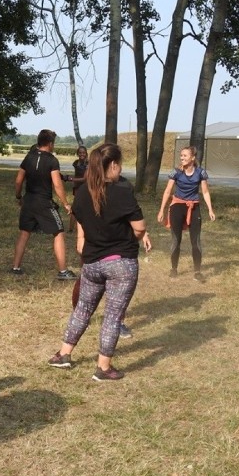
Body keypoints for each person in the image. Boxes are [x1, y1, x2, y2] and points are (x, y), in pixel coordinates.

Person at [47, 144, 151, 381]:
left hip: (92, 264)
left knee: (82, 310)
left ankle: (63, 354)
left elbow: (82, 222)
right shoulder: (122, 191)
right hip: (120, 265)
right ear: (113, 165)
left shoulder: (82, 192)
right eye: (120, 164)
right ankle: (103, 368)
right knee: (113, 315)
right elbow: (140, 228)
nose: (121, 168)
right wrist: (130, 236)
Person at [11, 129, 77, 280]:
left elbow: (18, 180)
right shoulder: (52, 160)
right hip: (43, 202)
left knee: (24, 232)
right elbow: (58, 185)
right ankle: (62, 271)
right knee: (59, 232)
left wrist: (18, 196)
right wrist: (66, 203)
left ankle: (15, 267)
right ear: (50, 143)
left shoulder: (28, 157)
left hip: (28, 201)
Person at [156, 146, 216, 281]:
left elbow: (205, 192)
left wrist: (210, 210)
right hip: (177, 206)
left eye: (185, 156)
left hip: (194, 207)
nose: (182, 158)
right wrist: (162, 210)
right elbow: (167, 191)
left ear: (193, 158)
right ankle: (174, 268)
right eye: (181, 155)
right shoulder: (176, 172)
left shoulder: (200, 173)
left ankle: (197, 271)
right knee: (176, 240)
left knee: (196, 241)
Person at [67, 145, 89, 233]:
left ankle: (85, 227)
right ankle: (71, 229)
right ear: (77, 153)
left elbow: (85, 178)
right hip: (77, 187)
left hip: (86, 188)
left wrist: (70, 179)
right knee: (75, 207)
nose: (82, 154)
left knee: (86, 208)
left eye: (83, 152)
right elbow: (77, 175)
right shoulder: (76, 163)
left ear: (86, 153)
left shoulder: (88, 164)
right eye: (80, 152)